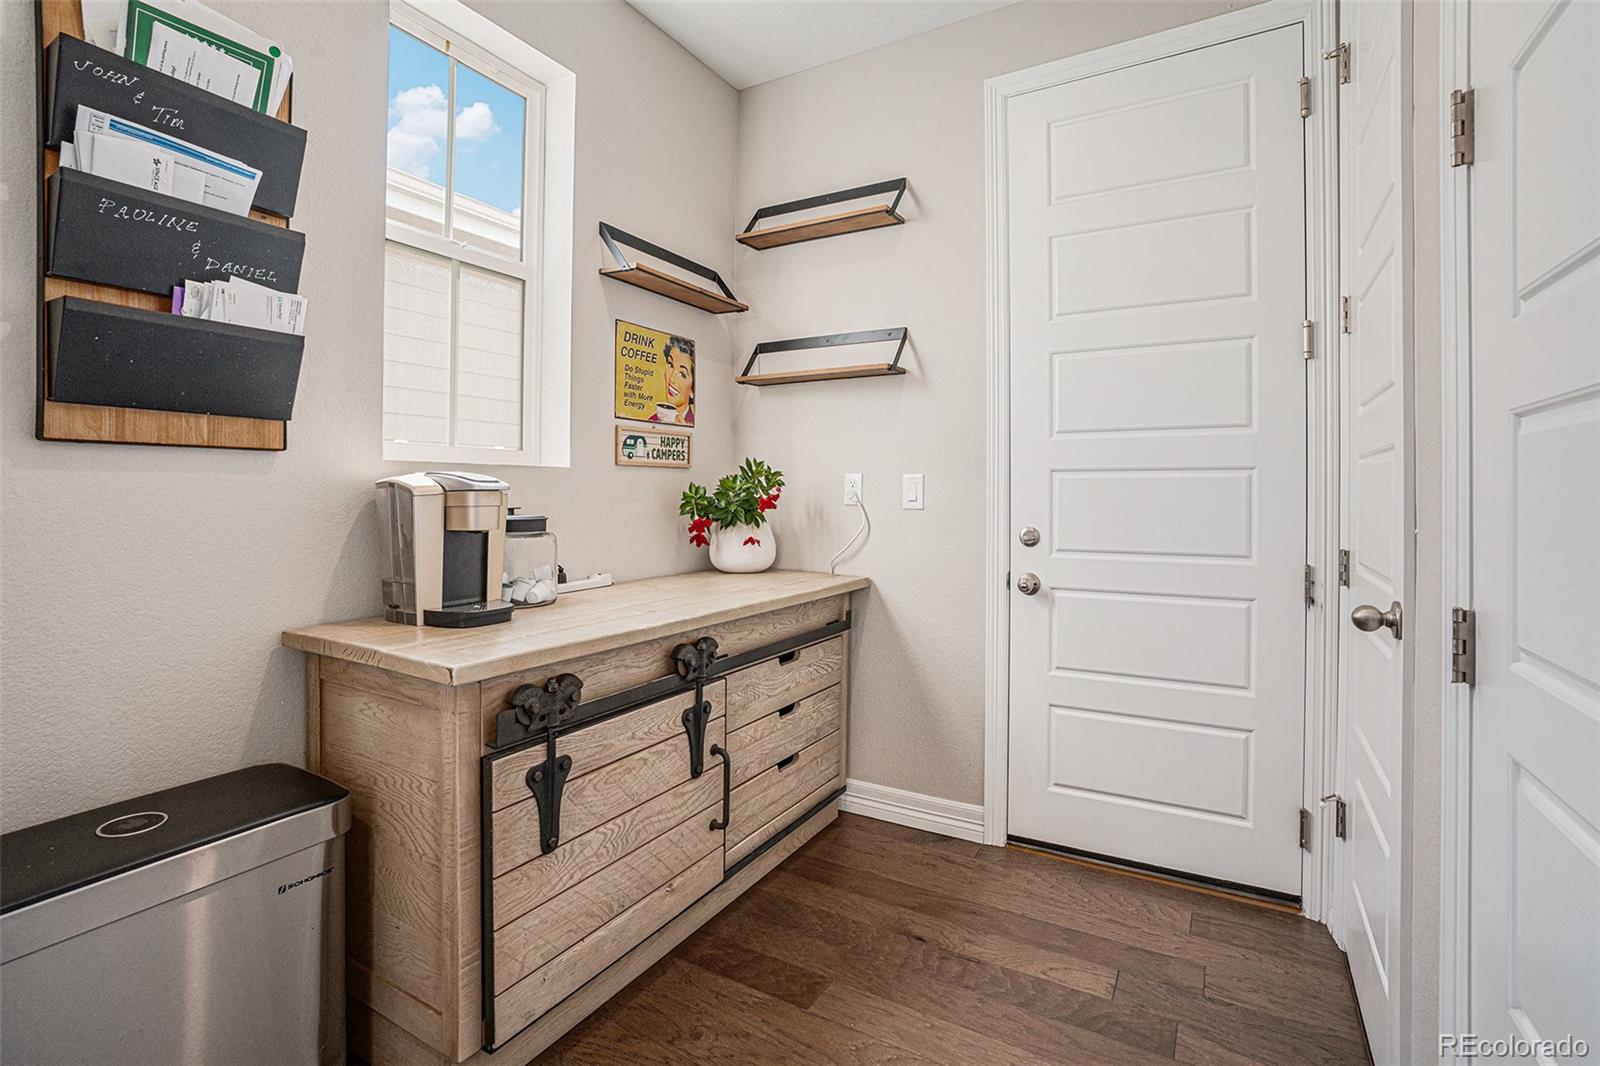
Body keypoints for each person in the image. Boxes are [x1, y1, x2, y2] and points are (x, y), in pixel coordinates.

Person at [651, 336, 695, 426]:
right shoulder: (652, 420)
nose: (671, 378)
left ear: (692, 390)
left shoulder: (690, 423)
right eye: (670, 365)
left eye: (682, 374)